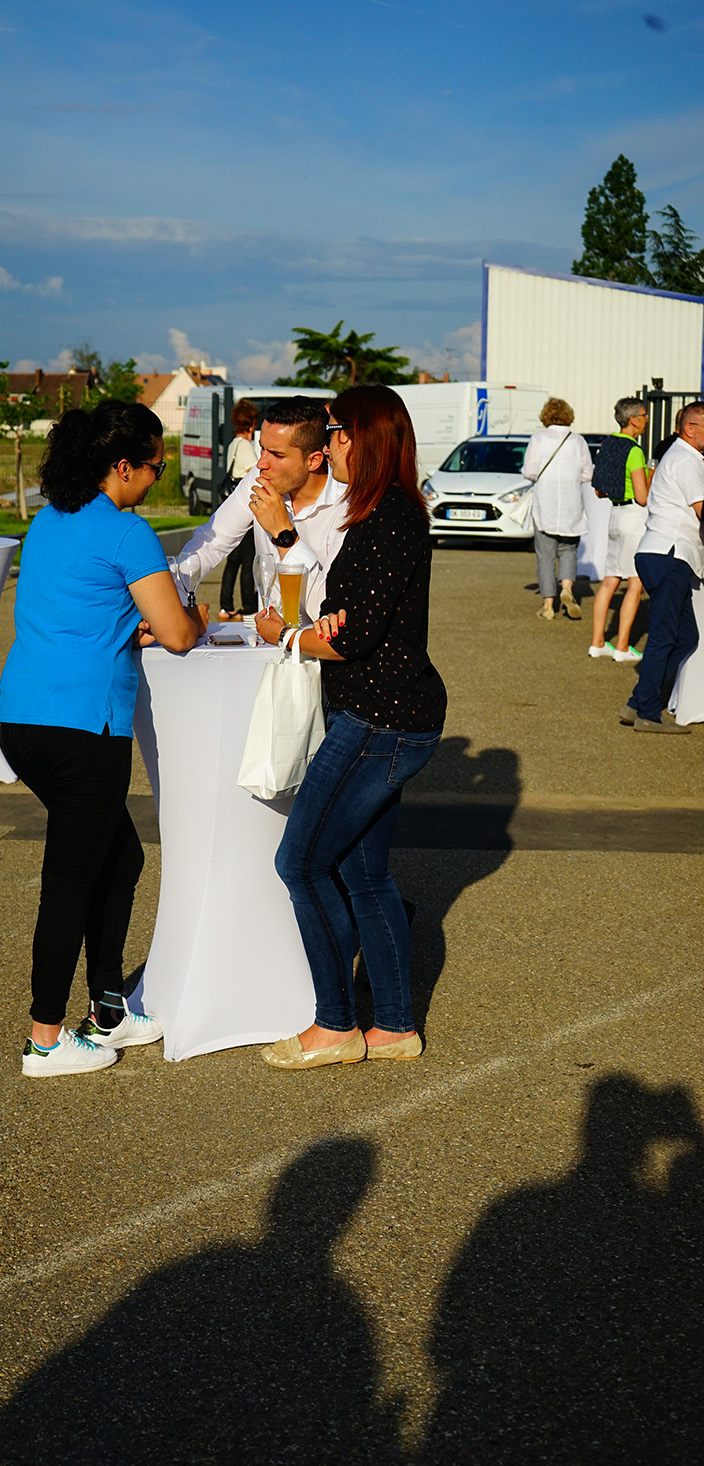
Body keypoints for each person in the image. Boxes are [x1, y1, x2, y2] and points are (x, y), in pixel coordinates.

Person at [0, 401, 204, 1077]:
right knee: (71, 881)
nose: (157, 476)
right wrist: (196, 616)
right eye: (155, 466)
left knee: (121, 860)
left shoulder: (49, 518)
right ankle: (45, 1040)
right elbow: (177, 633)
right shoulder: (127, 531)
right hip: (85, 726)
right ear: (123, 465)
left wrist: (128, 622)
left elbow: (82, 607)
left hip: (23, 717)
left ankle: (109, 1009)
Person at [254, 385, 447, 1069]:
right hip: (378, 710)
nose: (329, 440)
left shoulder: (388, 517)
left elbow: (351, 636)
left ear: (365, 439)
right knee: (365, 875)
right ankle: (393, 1027)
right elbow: (344, 616)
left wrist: (290, 635)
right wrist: (321, 627)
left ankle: (335, 1024)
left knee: (301, 863)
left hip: (380, 718)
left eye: (337, 429)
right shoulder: (376, 512)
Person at [173, 396, 348, 625]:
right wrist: (162, 603)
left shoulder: (346, 504)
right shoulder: (260, 479)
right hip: (265, 640)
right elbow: (210, 542)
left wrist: (283, 534)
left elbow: (329, 608)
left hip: (318, 643)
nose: (261, 463)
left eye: (277, 455)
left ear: (314, 460)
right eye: (262, 449)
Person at [621, 401, 704, 734]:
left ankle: (637, 703)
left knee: (685, 636)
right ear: (690, 429)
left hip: (660, 553)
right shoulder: (686, 459)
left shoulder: (682, 457)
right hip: (669, 554)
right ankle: (647, 713)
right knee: (665, 636)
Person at [589, 397, 649, 662]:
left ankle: (597, 643)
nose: (646, 420)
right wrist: (651, 475)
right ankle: (623, 647)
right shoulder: (635, 450)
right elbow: (642, 497)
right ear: (633, 419)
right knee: (635, 582)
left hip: (614, 514)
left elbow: (599, 490)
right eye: (644, 415)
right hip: (633, 517)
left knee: (610, 580)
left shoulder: (608, 444)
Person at [522, 398, 593, 622]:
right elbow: (587, 474)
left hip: (545, 505)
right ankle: (567, 589)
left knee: (546, 557)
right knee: (569, 551)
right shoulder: (578, 441)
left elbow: (529, 471)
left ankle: (548, 605)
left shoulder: (538, 438)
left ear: (546, 415)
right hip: (572, 505)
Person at [217, 399, 260, 621]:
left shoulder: (233, 444)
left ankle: (225, 606)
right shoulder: (244, 446)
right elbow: (256, 472)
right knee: (248, 560)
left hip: (233, 510)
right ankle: (249, 608)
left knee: (233, 560)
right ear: (251, 424)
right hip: (247, 512)